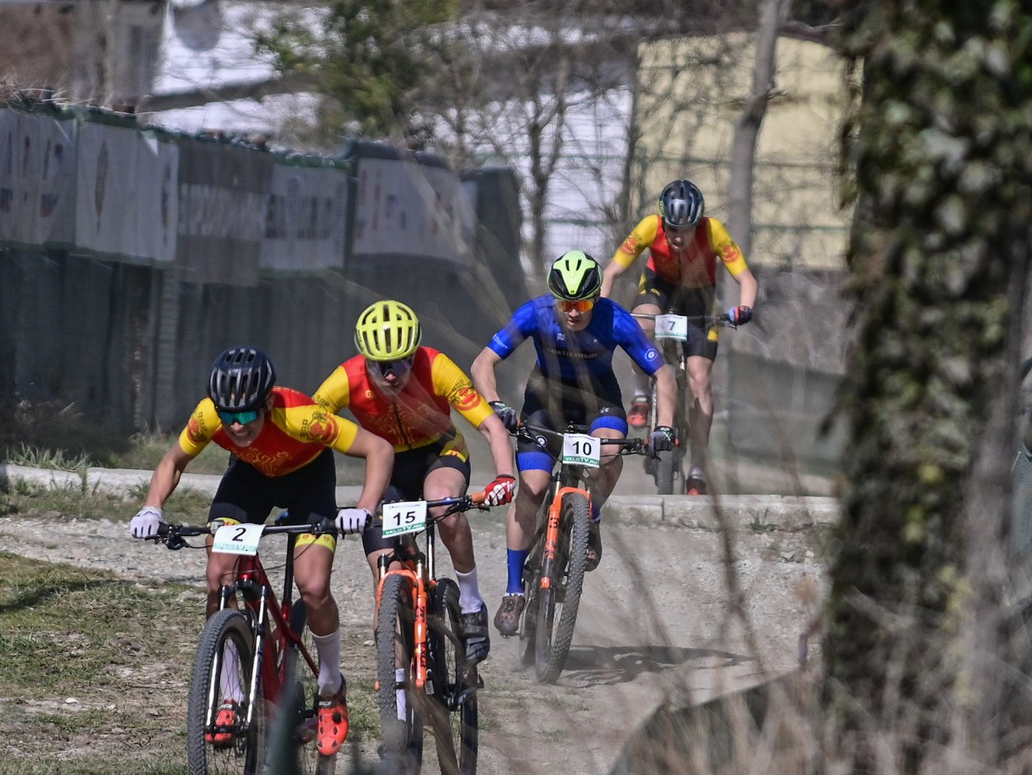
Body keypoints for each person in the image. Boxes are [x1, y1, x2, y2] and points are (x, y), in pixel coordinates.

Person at [131, 345, 394, 745]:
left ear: (268, 403)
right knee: (219, 576)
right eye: (228, 416)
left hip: (307, 478)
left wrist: (364, 507)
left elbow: (379, 449)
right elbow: (172, 462)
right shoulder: (207, 415)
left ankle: (330, 686)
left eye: (247, 414)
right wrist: (152, 509)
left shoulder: (302, 417)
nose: (236, 426)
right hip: (249, 477)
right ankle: (232, 695)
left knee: (314, 586)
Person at [469, 249, 672, 636]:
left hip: (599, 402)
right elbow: (483, 364)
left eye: (581, 303)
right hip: (545, 403)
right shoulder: (536, 312)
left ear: (596, 298)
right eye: (566, 303)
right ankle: (514, 590)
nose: (574, 312)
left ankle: (589, 516)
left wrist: (664, 426)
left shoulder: (616, 319)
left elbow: (663, 375)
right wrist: (496, 404)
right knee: (532, 489)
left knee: (609, 453)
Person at [312, 300, 521, 664]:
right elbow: (308, 424)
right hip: (387, 466)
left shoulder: (436, 366)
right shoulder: (347, 377)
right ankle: (396, 692)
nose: (391, 374)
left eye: (402, 362)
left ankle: (471, 604)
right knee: (385, 579)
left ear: (416, 354)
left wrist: (504, 477)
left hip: (439, 454)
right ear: (365, 360)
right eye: (380, 366)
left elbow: (490, 425)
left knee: (443, 504)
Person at [600, 178, 759, 496]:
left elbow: (746, 279)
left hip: (698, 300)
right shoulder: (649, 226)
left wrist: (745, 308)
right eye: (671, 228)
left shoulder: (714, 231)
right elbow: (611, 272)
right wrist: (600, 307)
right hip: (659, 287)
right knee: (641, 325)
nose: (676, 236)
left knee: (701, 380)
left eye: (684, 230)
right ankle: (642, 394)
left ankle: (698, 467)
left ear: (697, 224)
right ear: (663, 221)